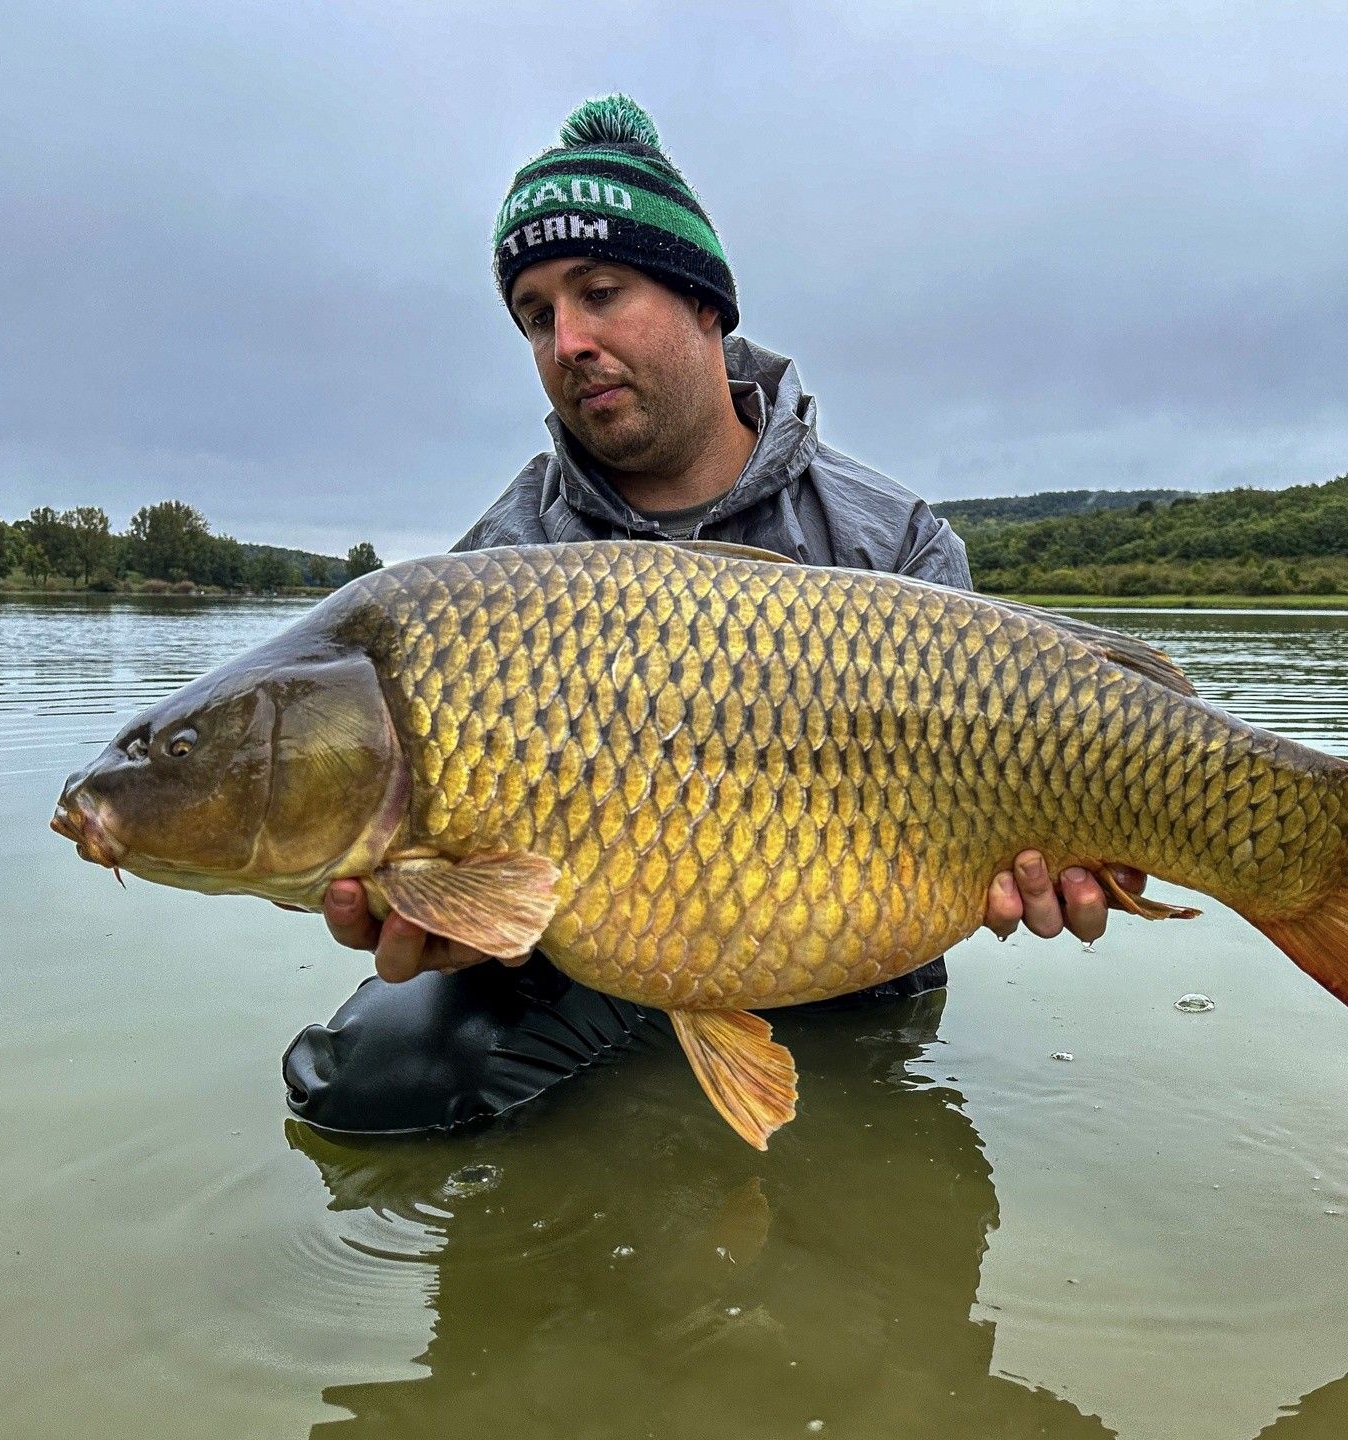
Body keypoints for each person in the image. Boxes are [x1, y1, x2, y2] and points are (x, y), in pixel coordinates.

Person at [283, 95, 1136, 1135]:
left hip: (851, 956)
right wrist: (448, 916)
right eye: (537, 316)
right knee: (368, 1086)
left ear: (706, 306)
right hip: (586, 957)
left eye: (600, 292)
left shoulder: (895, 548)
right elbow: (461, 886)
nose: (570, 340)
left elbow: (1009, 846)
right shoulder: (497, 572)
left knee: (874, 1190)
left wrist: (1054, 870)